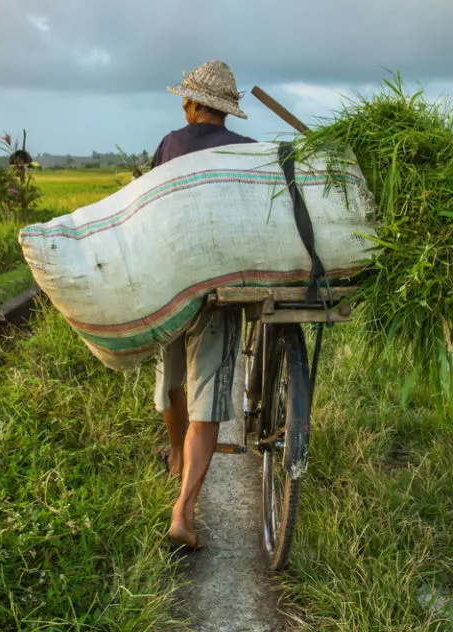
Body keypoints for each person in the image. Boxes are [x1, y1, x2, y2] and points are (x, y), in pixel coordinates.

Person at [150, 60, 256, 550]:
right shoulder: (251, 154)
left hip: (172, 286)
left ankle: (175, 451)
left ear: (195, 106)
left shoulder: (171, 144)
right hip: (222, 288)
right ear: (226, 113)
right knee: (207, 398)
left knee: (172, 380)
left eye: (186, 100)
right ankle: (185, 509)